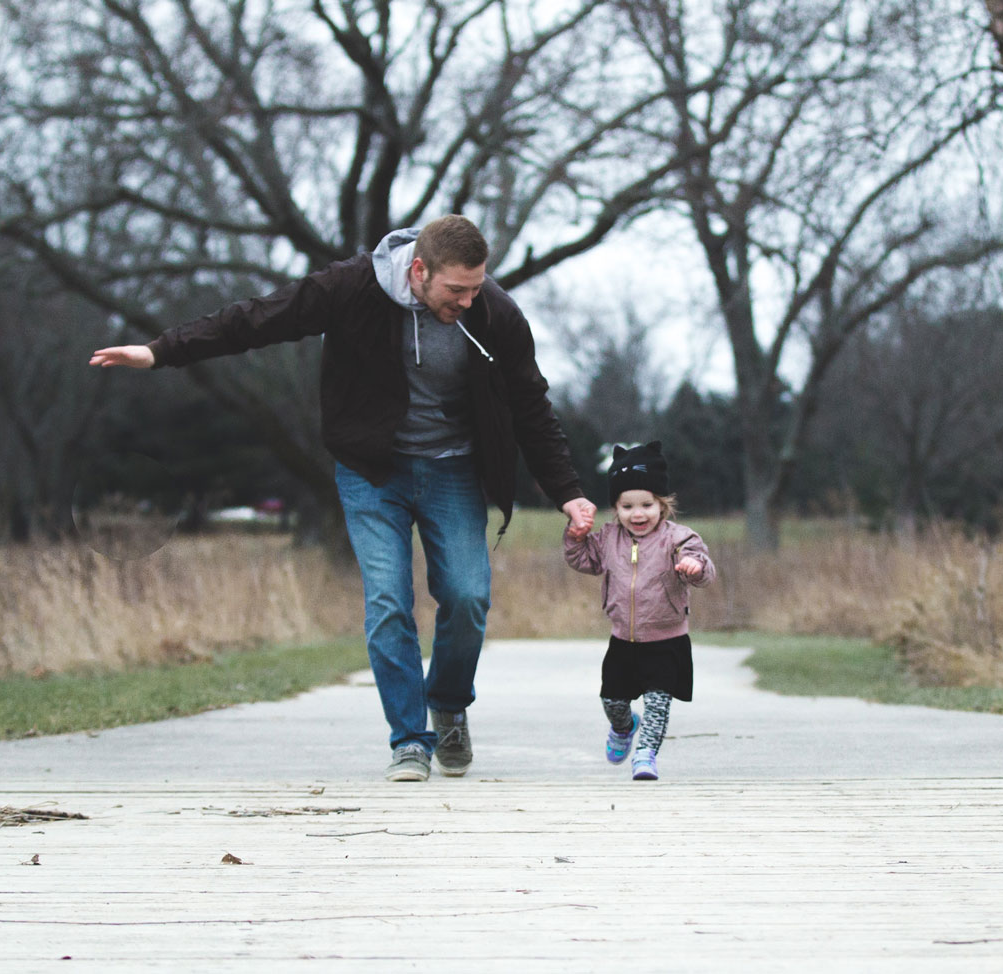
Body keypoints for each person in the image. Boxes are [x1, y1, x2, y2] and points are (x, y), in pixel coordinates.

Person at [90, 215, 596, 782]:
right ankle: (410, 739)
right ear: (419, 269)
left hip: (452, 469)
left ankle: (449, 704)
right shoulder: (352, 286)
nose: (468, 300)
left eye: (477, 287)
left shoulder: (494, 313)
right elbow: (258, 319)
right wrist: (160, 352)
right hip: (371, 470)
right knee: (387, 602)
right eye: (457, 290)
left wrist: (568, 494)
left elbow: (532, 406)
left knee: (468, 596)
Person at [563, 440, 716, 781]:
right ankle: (625, 726)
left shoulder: (678, 539)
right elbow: (582, 560)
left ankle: (645, 756)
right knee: (613, 702)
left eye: (647, 504)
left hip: (667, 641)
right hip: (623, 641)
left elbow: (705, 568)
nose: (638, 514)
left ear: (663, 504)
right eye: (627, 506)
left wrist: (694, 565)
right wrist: (575, 538)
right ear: (615, 509)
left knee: (659, 705)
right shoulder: (607, 539)